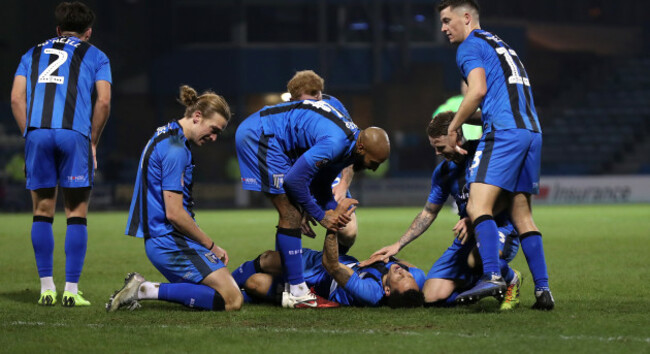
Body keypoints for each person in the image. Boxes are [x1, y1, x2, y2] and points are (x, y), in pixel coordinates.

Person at [437, 0, 553, 309]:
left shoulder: (468, 46)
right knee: (522, 214)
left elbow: (477, 91)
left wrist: (454, 125)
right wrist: (464, 117)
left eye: (448, 20)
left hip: (503, 132)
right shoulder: (500, 44)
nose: (443, 28)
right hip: (531, 131)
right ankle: (543, 290)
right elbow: (495, 99)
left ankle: (492, 275)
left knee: (477, 206)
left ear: (466, 18)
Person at [236, 93, 390, 308]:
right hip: (262, 135)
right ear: (362, 148)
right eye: (374, 162)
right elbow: (293, 182)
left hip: (271, 137)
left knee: (292, 212)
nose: (375, 168)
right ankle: (298, 292)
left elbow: (321, 185)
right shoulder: (336, 143)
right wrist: (321, 216)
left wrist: (333, 211)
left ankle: (282, 286)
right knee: (290, 213)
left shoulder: (348, 147)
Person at [364, 112, 522, 310]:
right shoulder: (443, 173)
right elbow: (428, 213)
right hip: (466, 236)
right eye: (434, 147)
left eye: (440, 146)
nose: (437, 152)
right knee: (430, 296)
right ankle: (477, 284)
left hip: (500, 228)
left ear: (456, 135)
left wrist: (474, 219)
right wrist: (398, 244)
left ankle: (511, 279)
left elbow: (507, 197)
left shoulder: (484, 153)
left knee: (476, 258)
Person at [105, 85, 242, 312]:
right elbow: (175, 214)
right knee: (232, 300)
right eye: (214, 129)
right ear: (197, 116)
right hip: (169, 242)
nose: (215, 137)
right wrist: (211, 246)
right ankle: (143, 289)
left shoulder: (167, 134)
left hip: (164, 240)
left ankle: (149, 289)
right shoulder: (175, 149)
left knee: (220, 290)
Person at [10, 1, 112, 307]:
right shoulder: (96, 55)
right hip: (74, 135)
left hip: (38, 131)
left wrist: (30, 133)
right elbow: (104, 102)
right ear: (88, 33)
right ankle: (70, 289)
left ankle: (46, 289)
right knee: (76, 214)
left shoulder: (32, 52)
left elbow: (16, 98)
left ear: (57, 29)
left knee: (42, 210)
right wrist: (92, 140)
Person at [231, 199, 425, 308]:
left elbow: (330, 264)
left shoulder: (370, 293)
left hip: (321, 282)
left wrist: (334, 225)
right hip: (339, 262)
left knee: (255, 282)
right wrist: (391, 258)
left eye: (401, 277)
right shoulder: (414, 280)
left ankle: (234, 295)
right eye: (407, 273)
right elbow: (414, 270)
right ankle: (228, 284)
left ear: (388, 291)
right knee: (268, 258)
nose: (403, 271)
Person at [286, 70, 357, 252]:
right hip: (301, 176)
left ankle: (331, 269)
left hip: (328, 173)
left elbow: (350, 145)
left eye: (314, 97)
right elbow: (287, 159)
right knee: (290, 222)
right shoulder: (288, 113)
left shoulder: (333, 105)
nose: (306, 105)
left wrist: (343, 183)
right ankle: (293, 276)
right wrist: (300, 203)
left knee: (348, 233)